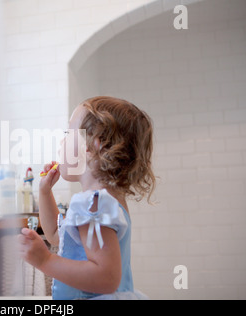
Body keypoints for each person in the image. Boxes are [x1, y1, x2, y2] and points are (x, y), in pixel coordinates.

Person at [19, 96, 156, 300]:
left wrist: (45, 261)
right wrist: (45, 192)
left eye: (68, 133)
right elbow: (57, 235)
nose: (62, 140)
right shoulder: (106, 201)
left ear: (91, 146)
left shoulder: (95, 203)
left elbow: (106, 277)